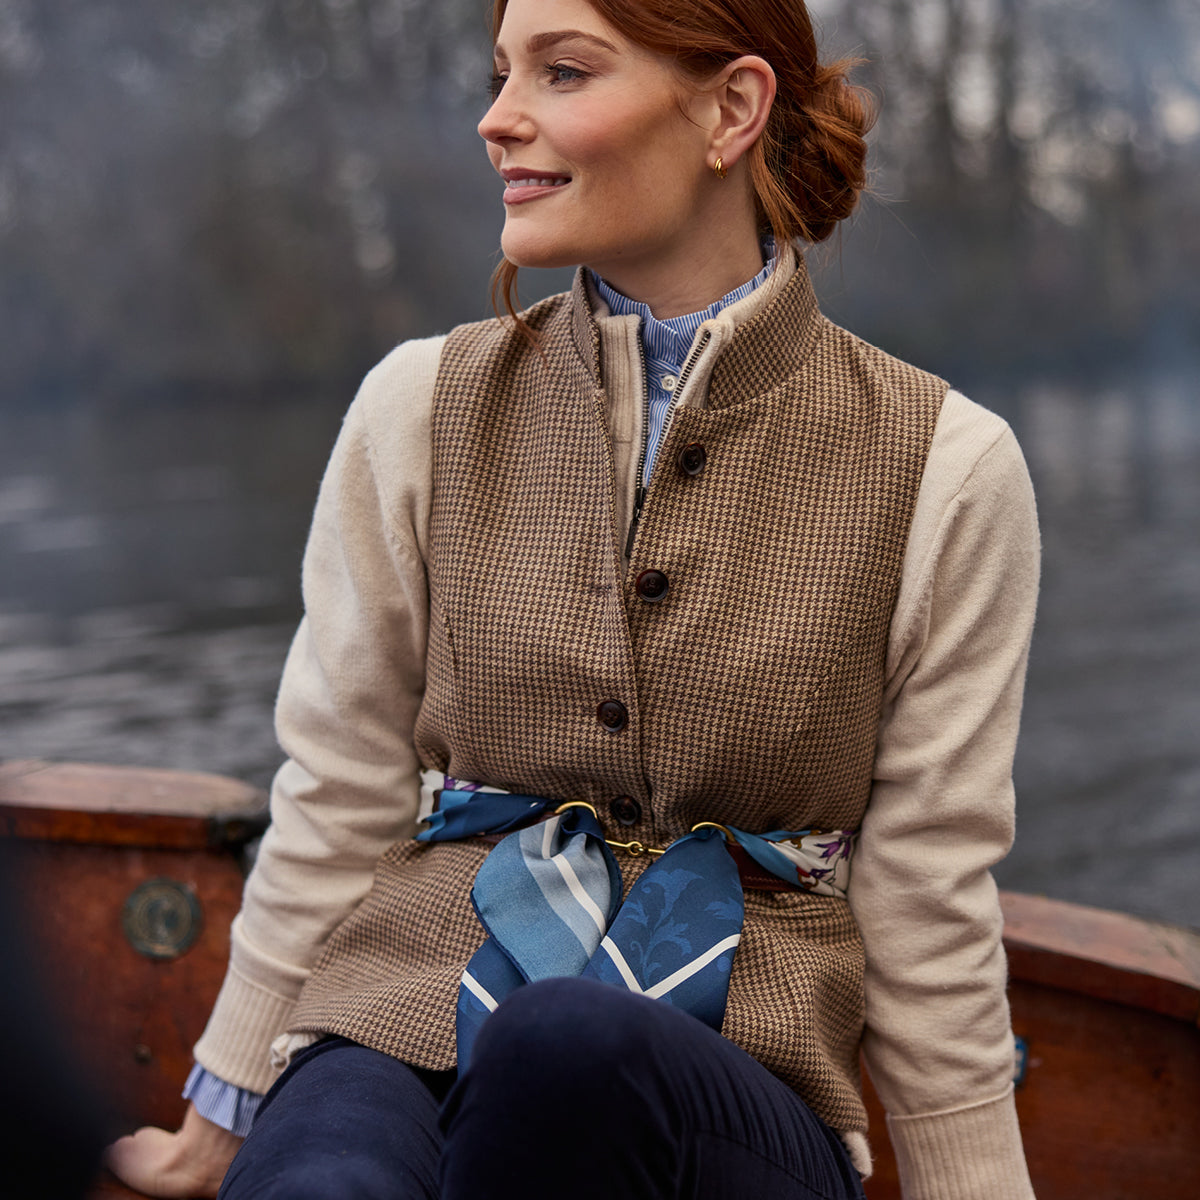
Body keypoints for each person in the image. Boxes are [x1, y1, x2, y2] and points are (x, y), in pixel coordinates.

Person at [107, 0, 1040, 1196]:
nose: (499, 118)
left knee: (560, 1050)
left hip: (734, 1081)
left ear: (731, 109)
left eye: (561, 71)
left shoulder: (948, 467)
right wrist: (220, 1117)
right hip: (405, 1006)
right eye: (500, 73)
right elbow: (338, 788)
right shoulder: (415, 407)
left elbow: (927, 891)